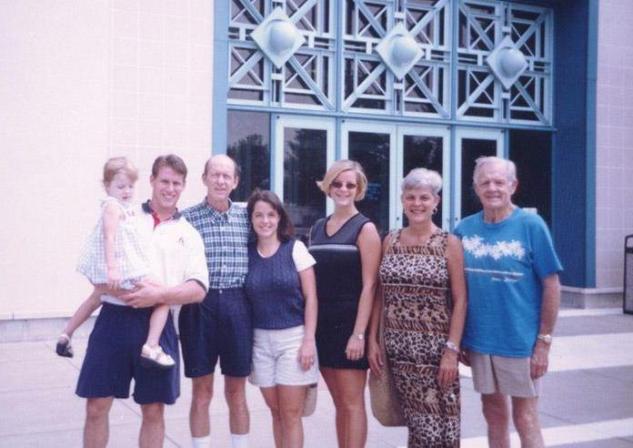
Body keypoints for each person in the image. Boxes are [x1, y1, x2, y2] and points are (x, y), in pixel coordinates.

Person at [76, 154, 209, 448]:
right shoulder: (123, 213)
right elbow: (96, 258)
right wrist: (113, 288)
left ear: (184, 186)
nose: (170, 188)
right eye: (164, 181)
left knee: (153, 409)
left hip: (157, 327)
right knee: (96, 406)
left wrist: (159, 295)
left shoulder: (188, 234)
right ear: (151, 181)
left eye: (176, 183)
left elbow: (198, 289)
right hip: (114, 318)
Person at [454, 156, 562, 448]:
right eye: (485, 182)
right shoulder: (464, 229)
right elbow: (457, 289)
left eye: (499, 182)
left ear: (512, 186)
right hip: (480, 340)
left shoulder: (531, 225)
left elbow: (551, 285)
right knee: (493, 414)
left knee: (525, 417)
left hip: (519, 341)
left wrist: (543, 343)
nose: (492, 188)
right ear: (475, 187)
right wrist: (461, 337)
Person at [368, 168, 467, 448]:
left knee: (436, 427)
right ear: (402, 200)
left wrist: (452, 350)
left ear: (436, 202)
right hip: (399, 350)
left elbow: (460, 300)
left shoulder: (449, 244)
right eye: (411, 197)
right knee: (416, 423)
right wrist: (375, 340)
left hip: (434, 351)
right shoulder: (391, 240)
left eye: (424, 197)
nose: (417, 203)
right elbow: (380, 294)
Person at [57, 156, 175, 369]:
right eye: (120, 186)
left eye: (130, 186)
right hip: (120, 269)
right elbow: (109, 237)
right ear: (106, 186)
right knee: (163, 296)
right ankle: (151, 345)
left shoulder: (124, 208)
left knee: (97, 296)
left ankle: (66, 334)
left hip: (116, 269)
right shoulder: (112, 207)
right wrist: (112, 269)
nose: (126, 191)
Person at [308, 160, 381, 448]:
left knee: (352, 404)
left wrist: (359, 334)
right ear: (328, 186)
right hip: (322, 328)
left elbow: (370, 285)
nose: (343, 189)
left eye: (350, 184)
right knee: (339, 403)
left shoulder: (365, 229)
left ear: (359, 188)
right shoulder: (316, 227)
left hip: (350, 328)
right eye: (337, 183)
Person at [180, 154, 252, 448]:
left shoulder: (248, 216)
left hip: (238, 306)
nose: (221, 181)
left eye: (227, 176)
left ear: (235, 182)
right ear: (204, 179)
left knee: (236, 392)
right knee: (202, 391)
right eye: (215, 175)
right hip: (199, 306)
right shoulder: (186, 219)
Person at [245, 190, 319, 448]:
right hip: (260, 343)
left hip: (294, 340)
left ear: (279, 218)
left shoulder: (295, 249)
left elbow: (311, 298)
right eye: (259, 215)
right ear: (251, 219)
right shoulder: (247, 254)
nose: (265, 221)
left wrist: (308, 340)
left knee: (290, 414)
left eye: (270, 215)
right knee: (276, 412)